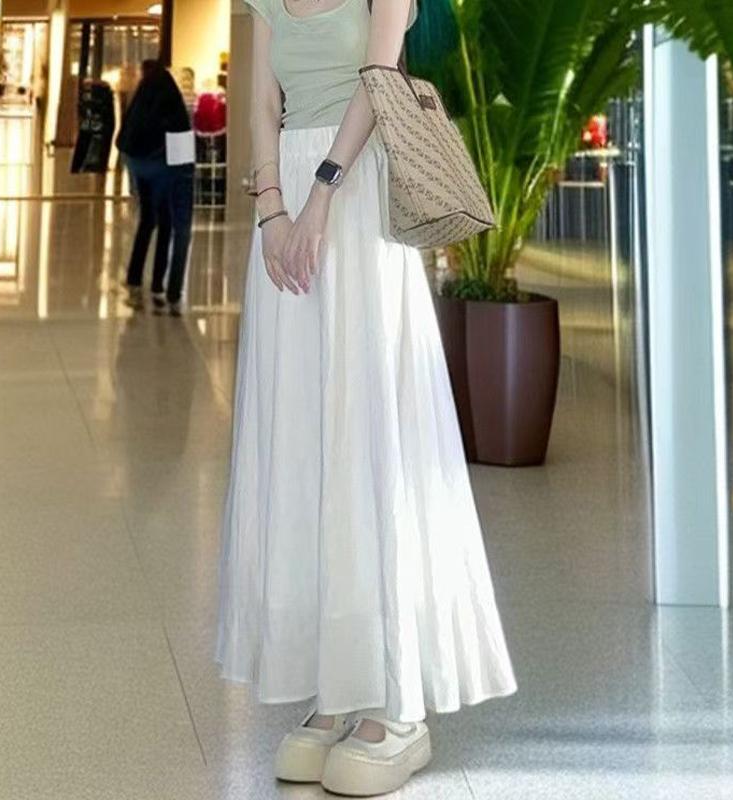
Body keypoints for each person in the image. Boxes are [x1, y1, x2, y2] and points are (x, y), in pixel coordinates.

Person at [216, 0, 517, 796]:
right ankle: (335, 683)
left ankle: (396, 702)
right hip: (285, 209)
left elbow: (379, 78)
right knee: (303, 436)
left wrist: (321, 192)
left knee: (365, 431)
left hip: (357, 196)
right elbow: (262, 99)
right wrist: (271, 210)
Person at [116, 60, 194, 317]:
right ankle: (167, 291)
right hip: (167, 167)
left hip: (140, 165)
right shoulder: (172, 102)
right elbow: (182, 150)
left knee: (149, 220)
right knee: (173, 224)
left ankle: (136, 281)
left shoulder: (141, 100)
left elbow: (124, 140)